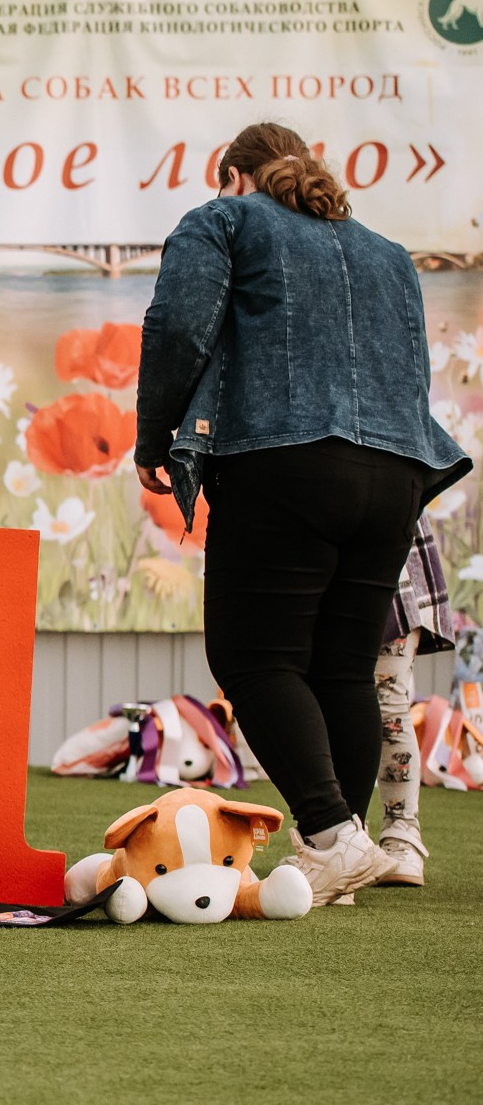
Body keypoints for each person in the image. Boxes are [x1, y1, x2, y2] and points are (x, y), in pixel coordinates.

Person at [136, 121, 470, 907]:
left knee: (254, 661)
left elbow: (178, 326)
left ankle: (329, 830)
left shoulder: (222, 218)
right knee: (343, 668)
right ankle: (339, 858)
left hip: (284, 461)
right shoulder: (390, 254)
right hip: (394, 475)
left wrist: (155, 433)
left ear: (234, 176)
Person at [372, 516, 457, 887]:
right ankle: (334, 832)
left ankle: (402, 835)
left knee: (388, 702)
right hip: (323, 548)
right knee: (328, 697)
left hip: (388, 551)